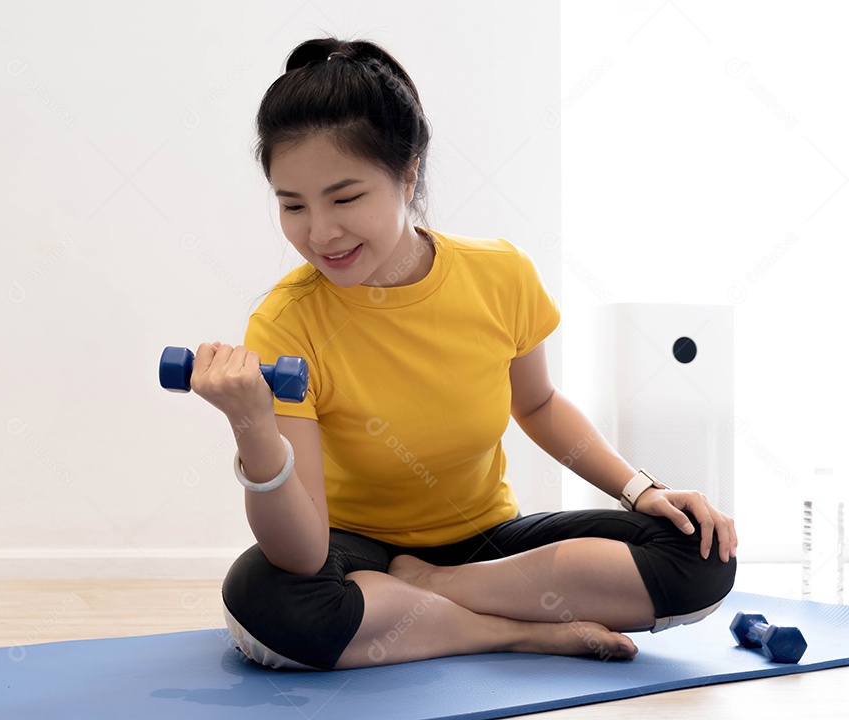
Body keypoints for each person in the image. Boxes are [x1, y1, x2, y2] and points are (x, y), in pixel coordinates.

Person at [187, 37, 737, 671]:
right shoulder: (286, 323)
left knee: (700, 552)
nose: (320, 232)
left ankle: (441, 595)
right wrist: (253, 427)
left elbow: (537, 403)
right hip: (354, 553)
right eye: (292, 205)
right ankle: (513, 632)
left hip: (486, 547)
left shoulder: (499, 274)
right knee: (269, 600)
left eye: (344, 198)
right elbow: (306, 555)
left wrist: (640, 490)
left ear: (409, 173)